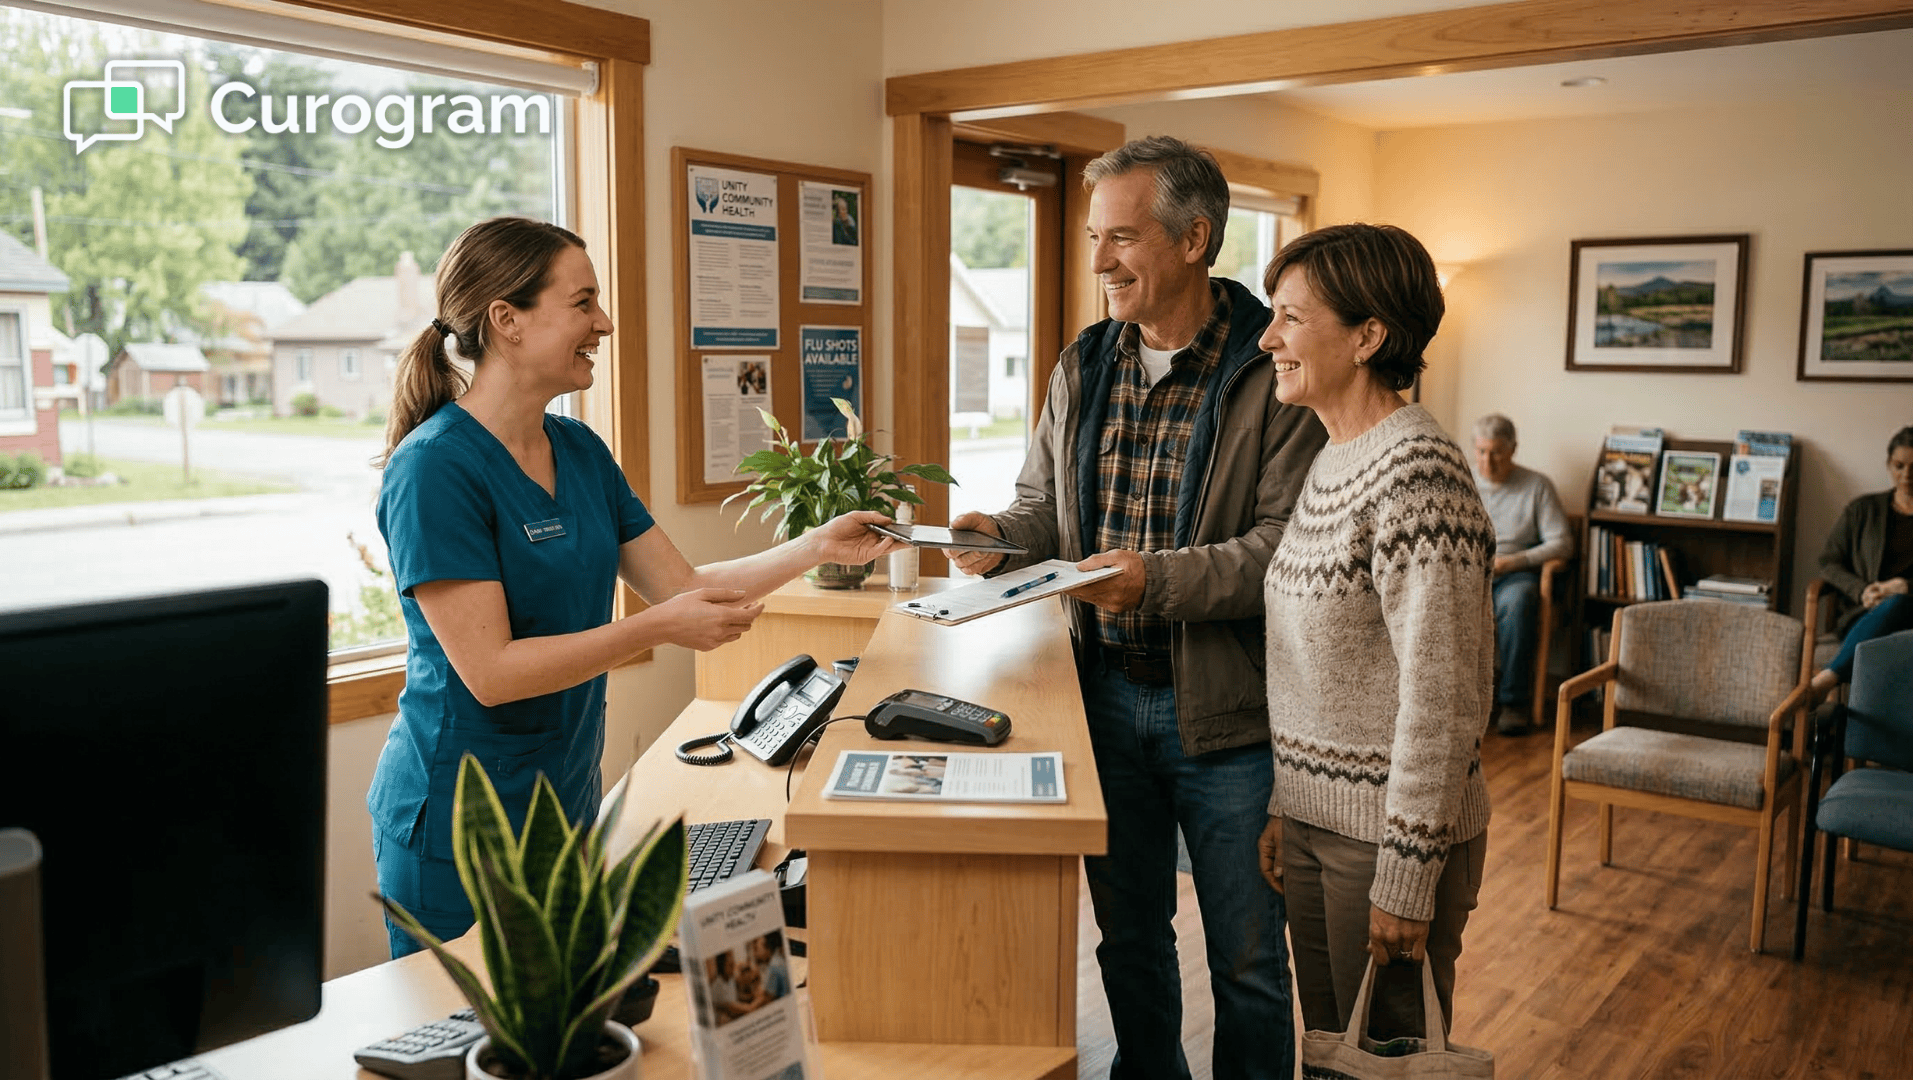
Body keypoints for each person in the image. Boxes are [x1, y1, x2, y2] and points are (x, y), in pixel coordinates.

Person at [367, 217, 896, 957]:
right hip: (458, 823)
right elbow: (491, 674)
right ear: (507, 321)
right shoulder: (435, 470)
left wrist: (813, 546)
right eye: (584, 303)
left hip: (566, 801)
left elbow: (682, 588)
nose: (604, 323)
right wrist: (656, 629)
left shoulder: (578, 449)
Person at [948, 135, 1328, 1080]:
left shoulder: (1272, 368)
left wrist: (1155, 580)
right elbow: (1045, 510)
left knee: (1246, 959)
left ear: (1195, 237)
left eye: (1120, 238)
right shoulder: (1083, 362)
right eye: (1091, 238)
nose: (1097, 262)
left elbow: (1283, 549)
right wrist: (995, 532)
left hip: (1231, 718)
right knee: (1129, 940)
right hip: (1100, 702)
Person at [1255, 223, 1494, 1044]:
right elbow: (1315, 672)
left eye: (1291, 317)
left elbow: (1443, 697)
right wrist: (1293, 804)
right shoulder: (1333, 458)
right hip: (1322, 827)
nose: (1269, 337)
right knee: (1330, 1049)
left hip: (1388, 840)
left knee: (1387, 1062)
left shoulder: (1419, 471)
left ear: (1368, 336)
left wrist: (1406, 872)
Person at [1470, 413, 1574, 734]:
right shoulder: (1464, 481)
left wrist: (1513, 561)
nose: (1488, 461)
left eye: (1497, 452)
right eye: (1482, 452)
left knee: (1517, 603)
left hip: (1516, 574)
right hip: (1469, 572)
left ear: (1513, 449)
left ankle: (1513, 703)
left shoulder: (1537, 486)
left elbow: (1562, 543)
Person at [1810, 424, 1913, 699]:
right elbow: (1829, 562)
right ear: (1889, 465)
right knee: (1889, 610)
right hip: (1863, 613)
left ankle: (1826, 679)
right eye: (1899, 465)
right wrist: (1862, 590)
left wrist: (1905, 587)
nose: (1907, 475)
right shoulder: (1862, 510)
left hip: (1910, 614)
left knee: (1900, 603)